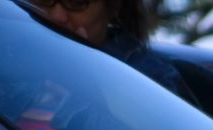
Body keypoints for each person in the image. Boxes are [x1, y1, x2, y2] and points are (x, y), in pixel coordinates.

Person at [27, 0, 193, 99]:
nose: (57, 16)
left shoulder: (149, 82)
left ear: (113, 7)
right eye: (44, 0)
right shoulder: (8, 55)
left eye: (76, 3)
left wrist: (85, 82)